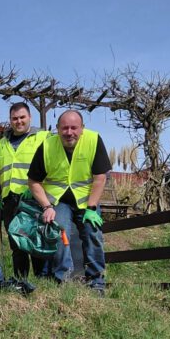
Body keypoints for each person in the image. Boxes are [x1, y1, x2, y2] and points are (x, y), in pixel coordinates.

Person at [27, 109, 111, 294]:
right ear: (57, 129)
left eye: (74, 128)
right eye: (64, 128)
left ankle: (96, 281)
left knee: (93, 233)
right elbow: (33, 181)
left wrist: (91, 208)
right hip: (58, 200)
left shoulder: (94, 140)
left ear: (82, 128)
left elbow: (100, 178)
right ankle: (62, 278)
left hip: (86, 200)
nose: (69, 132)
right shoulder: (47, 146)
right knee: (59, 230)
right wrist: (46, 206)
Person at [0, 102, 50, 279]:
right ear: (10, 120)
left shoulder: (43, 137)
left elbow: (53, 167)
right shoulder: (1, 143)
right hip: (9, 200)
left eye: (22, 117)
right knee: (16, 243)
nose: (18, 121)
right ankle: (20, 280)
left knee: (35, 241)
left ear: (29, 118)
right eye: (14, 118)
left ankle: (42, 280)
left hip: (33, 198)